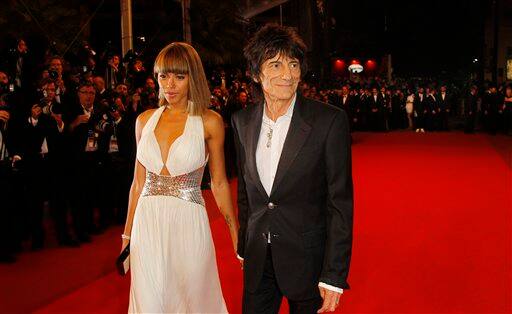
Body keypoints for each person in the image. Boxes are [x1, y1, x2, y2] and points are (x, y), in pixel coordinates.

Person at [232, 24, 353, 314]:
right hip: (259, 259)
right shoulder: (242, 121)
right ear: (256, 74)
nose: (287, 75)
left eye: (293, 64)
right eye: (275, 64)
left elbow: (340, 203)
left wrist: (334, 275)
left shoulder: (329, 121)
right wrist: (243, 243)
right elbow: (247, 191)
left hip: (308, 261)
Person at [122, 42, 237, 313]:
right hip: (147, 224)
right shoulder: (144, 120)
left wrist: (235, 230)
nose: (170, 85)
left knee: (194, 298)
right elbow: (138, 183)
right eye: (164, 76)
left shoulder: (209, 121)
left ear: (193, 77)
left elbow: (218, 182)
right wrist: (127, 234)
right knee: (149, 301)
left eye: (179, 76)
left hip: (189, 222)